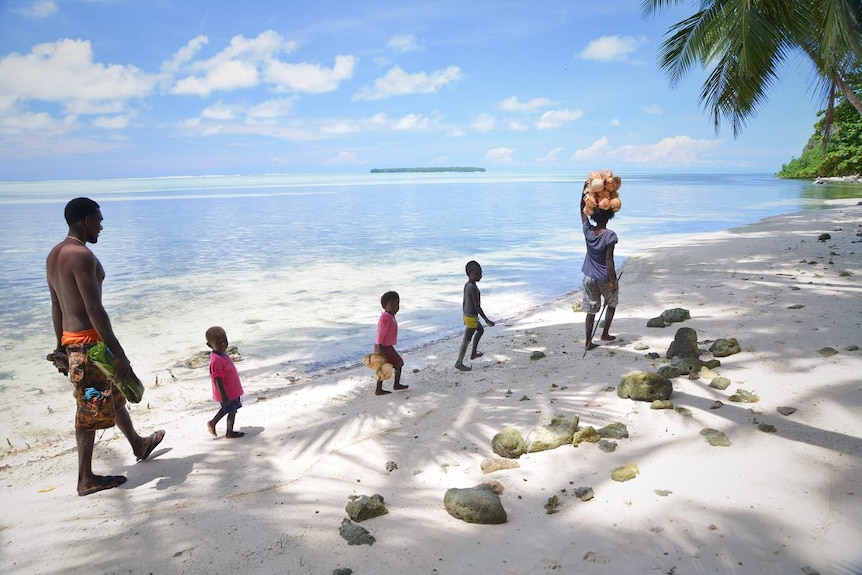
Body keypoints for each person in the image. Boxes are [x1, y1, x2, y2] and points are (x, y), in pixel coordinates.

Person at [46, 197, 165, 496]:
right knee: (90, 408)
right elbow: (94, 309)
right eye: (99, 220)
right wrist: (119, 353)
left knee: (112, 393)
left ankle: (138, 444)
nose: (101, 226)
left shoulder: (55, 254)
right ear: (86, 220)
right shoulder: (81, 255)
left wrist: (59, 345)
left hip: (73, 343)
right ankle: (85, 478)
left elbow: (56, 305)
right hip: (89, 346)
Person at [580, 188, 619, 352]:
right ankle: (605, 334)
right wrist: (612, 281)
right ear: (609, 217)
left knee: (591, 310)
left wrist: (584, 192)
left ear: (593, 215)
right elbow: (608, 260)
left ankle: (588, 342)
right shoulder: (610, 235)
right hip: (604, 277)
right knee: (611, 304)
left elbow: (581, 212)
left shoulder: (588, 231)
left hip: (588, 277)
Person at [205, 326, 246, 438]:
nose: (223, 344)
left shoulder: (221, 353)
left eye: (225, 341)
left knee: (229, 410)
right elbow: (217, 379)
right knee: (231, 411)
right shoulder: (216, 360)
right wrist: (224, 396)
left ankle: (213, 423)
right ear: (210, 345)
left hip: (232, 391)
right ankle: (229, 432)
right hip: (227, 393)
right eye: (218, 343)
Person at [455, 260, 495, 371]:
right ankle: (459, 362)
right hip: (471, 318)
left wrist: (464, 315)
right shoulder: (472, 288)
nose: (480, 276)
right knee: (466, 340)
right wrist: (487, 320)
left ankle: (473, 353)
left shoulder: (467, 285)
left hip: (468, 316)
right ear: (469, 273)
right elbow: (478, 307)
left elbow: (464, 302)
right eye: (477, 273)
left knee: (480, 330)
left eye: (480, 273)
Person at [373, 291, 408, 395]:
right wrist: (380, 350)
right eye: (392, 305)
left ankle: (393, 385)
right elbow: (380, 334)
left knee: (394, 365)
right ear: (384, 306)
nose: (395, 307)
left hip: (386, 346)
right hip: (383, 347)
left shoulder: (390, 316)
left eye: (397, 304)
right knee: (396, 364)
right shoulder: (385, 317)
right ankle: (381, 389)